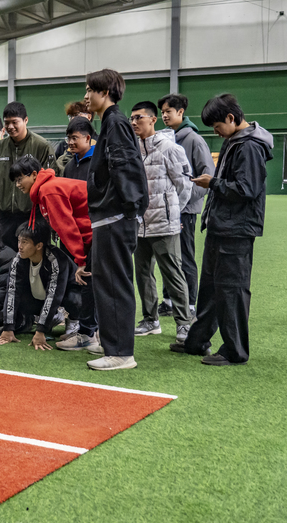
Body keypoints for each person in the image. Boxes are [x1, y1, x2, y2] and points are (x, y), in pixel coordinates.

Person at [172, 94, 273, 366]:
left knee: (232, 291)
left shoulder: (249, 147)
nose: (215, 132)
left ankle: (235, 351)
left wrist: (213, 184)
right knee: (211, 289)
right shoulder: (235, 142)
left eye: (217, 126)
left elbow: (247, 189)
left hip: (236, 230)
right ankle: (197, 341)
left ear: (231, 118)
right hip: (221, 226)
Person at [83, 69, 149, 370]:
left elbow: (126, 168)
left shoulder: (116, 123)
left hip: (115, 217)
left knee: (114, 284)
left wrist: (130, 209)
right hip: (109, 216)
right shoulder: (111, 123)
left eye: (89, 90)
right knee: (105, 284)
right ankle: (113, 345)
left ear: (104, 92)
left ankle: (122, 353)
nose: (86, 96)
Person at [11, 155, 99, 351]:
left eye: (19, 179)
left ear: (34, 174)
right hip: (94, 236)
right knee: (92, 284)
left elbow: (68, 228)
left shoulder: (49, 191)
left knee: (88, 283)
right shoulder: (46, 189)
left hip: (97, 236)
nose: (17, 185)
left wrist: (81, 259)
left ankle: (88, 334)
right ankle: (93, 332)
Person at [129, 100, 193, 344]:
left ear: (152, 120)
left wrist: (174, 214)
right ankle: (150, 320)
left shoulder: (169, 148)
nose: (134, 122)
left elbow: (184, 186)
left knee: (173, 274)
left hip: (165, 224)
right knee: (143, 274)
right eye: (132, 119)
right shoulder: (133, 149)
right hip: (139, 225)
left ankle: (184, 324)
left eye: (139, 118)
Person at [157, 93, 215, 319]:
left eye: (168, 112)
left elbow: (208, 175)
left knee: (185, 258)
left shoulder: (193, 140)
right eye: (162, 112)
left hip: (185, 211)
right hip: (167, 210)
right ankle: (169, 301)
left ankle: (190, 304)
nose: (164, 116)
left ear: (180, 112)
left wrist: (185, 200)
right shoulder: (165, 139)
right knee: (167, 257)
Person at [0, 221, 82, 350]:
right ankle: (44, 318)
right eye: (19, 241)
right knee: (15, 295)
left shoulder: (56, 260)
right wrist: (8, 328)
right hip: (40, 295)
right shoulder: (18, 260)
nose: (19, 247)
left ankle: (73, 321)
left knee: (75, 300)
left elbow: (54, 295)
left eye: (25, 242)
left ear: (39, 245)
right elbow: (12, 292)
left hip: (64, 294)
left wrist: (40, 331)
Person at [0, 101, 55, 252]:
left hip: (33, 215)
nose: (10, 126)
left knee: (35, 256)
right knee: (6, 258)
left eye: (14, 122)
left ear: (26, 120)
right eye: (7, 123)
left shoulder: (41, 146)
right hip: (6, 217)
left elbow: (51, 178)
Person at [53, 101, 94, 173]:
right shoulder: (69, 165)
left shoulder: (99, 146)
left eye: (77, 115)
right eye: (71, 116)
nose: (73, 119)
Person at [61, 117, 95, 182]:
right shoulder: (69, 166)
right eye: (68, 138)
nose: (70, 142)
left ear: (87, 138)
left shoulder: (98, 164)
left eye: (74, 138)